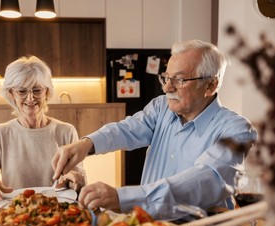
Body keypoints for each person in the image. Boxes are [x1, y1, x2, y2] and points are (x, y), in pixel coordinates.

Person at [51, 39, 257, 214]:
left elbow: (206, 178)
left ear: (211, 85)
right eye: (167, 78)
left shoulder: (237, 129)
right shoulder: (161, 108)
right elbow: (126, 129)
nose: (167, 87)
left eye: (179, 80)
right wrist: (86, 144)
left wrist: (123, 197)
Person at [0, 55, 86, 208]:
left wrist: (75, 179)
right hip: (14, 216)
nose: (30, 98)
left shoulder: (66, 131)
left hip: (57, 213)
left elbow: (81, 184)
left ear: (47, 92)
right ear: (11, 94)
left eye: (37, 90)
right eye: (21, 91)